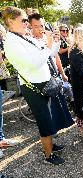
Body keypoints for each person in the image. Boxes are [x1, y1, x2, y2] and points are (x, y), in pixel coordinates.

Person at [3, 6, 73, 165]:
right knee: (44, 120)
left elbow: (50, 54)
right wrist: (48, 45)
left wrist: (53, 42)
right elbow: (33, 63)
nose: (26, 24)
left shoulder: (23, 37)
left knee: (51, 117)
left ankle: (51, 145)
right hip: (34, 86)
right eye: (23, 20)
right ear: (11, 21)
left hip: (44, 83)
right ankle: (48, 156)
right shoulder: (11, 42)